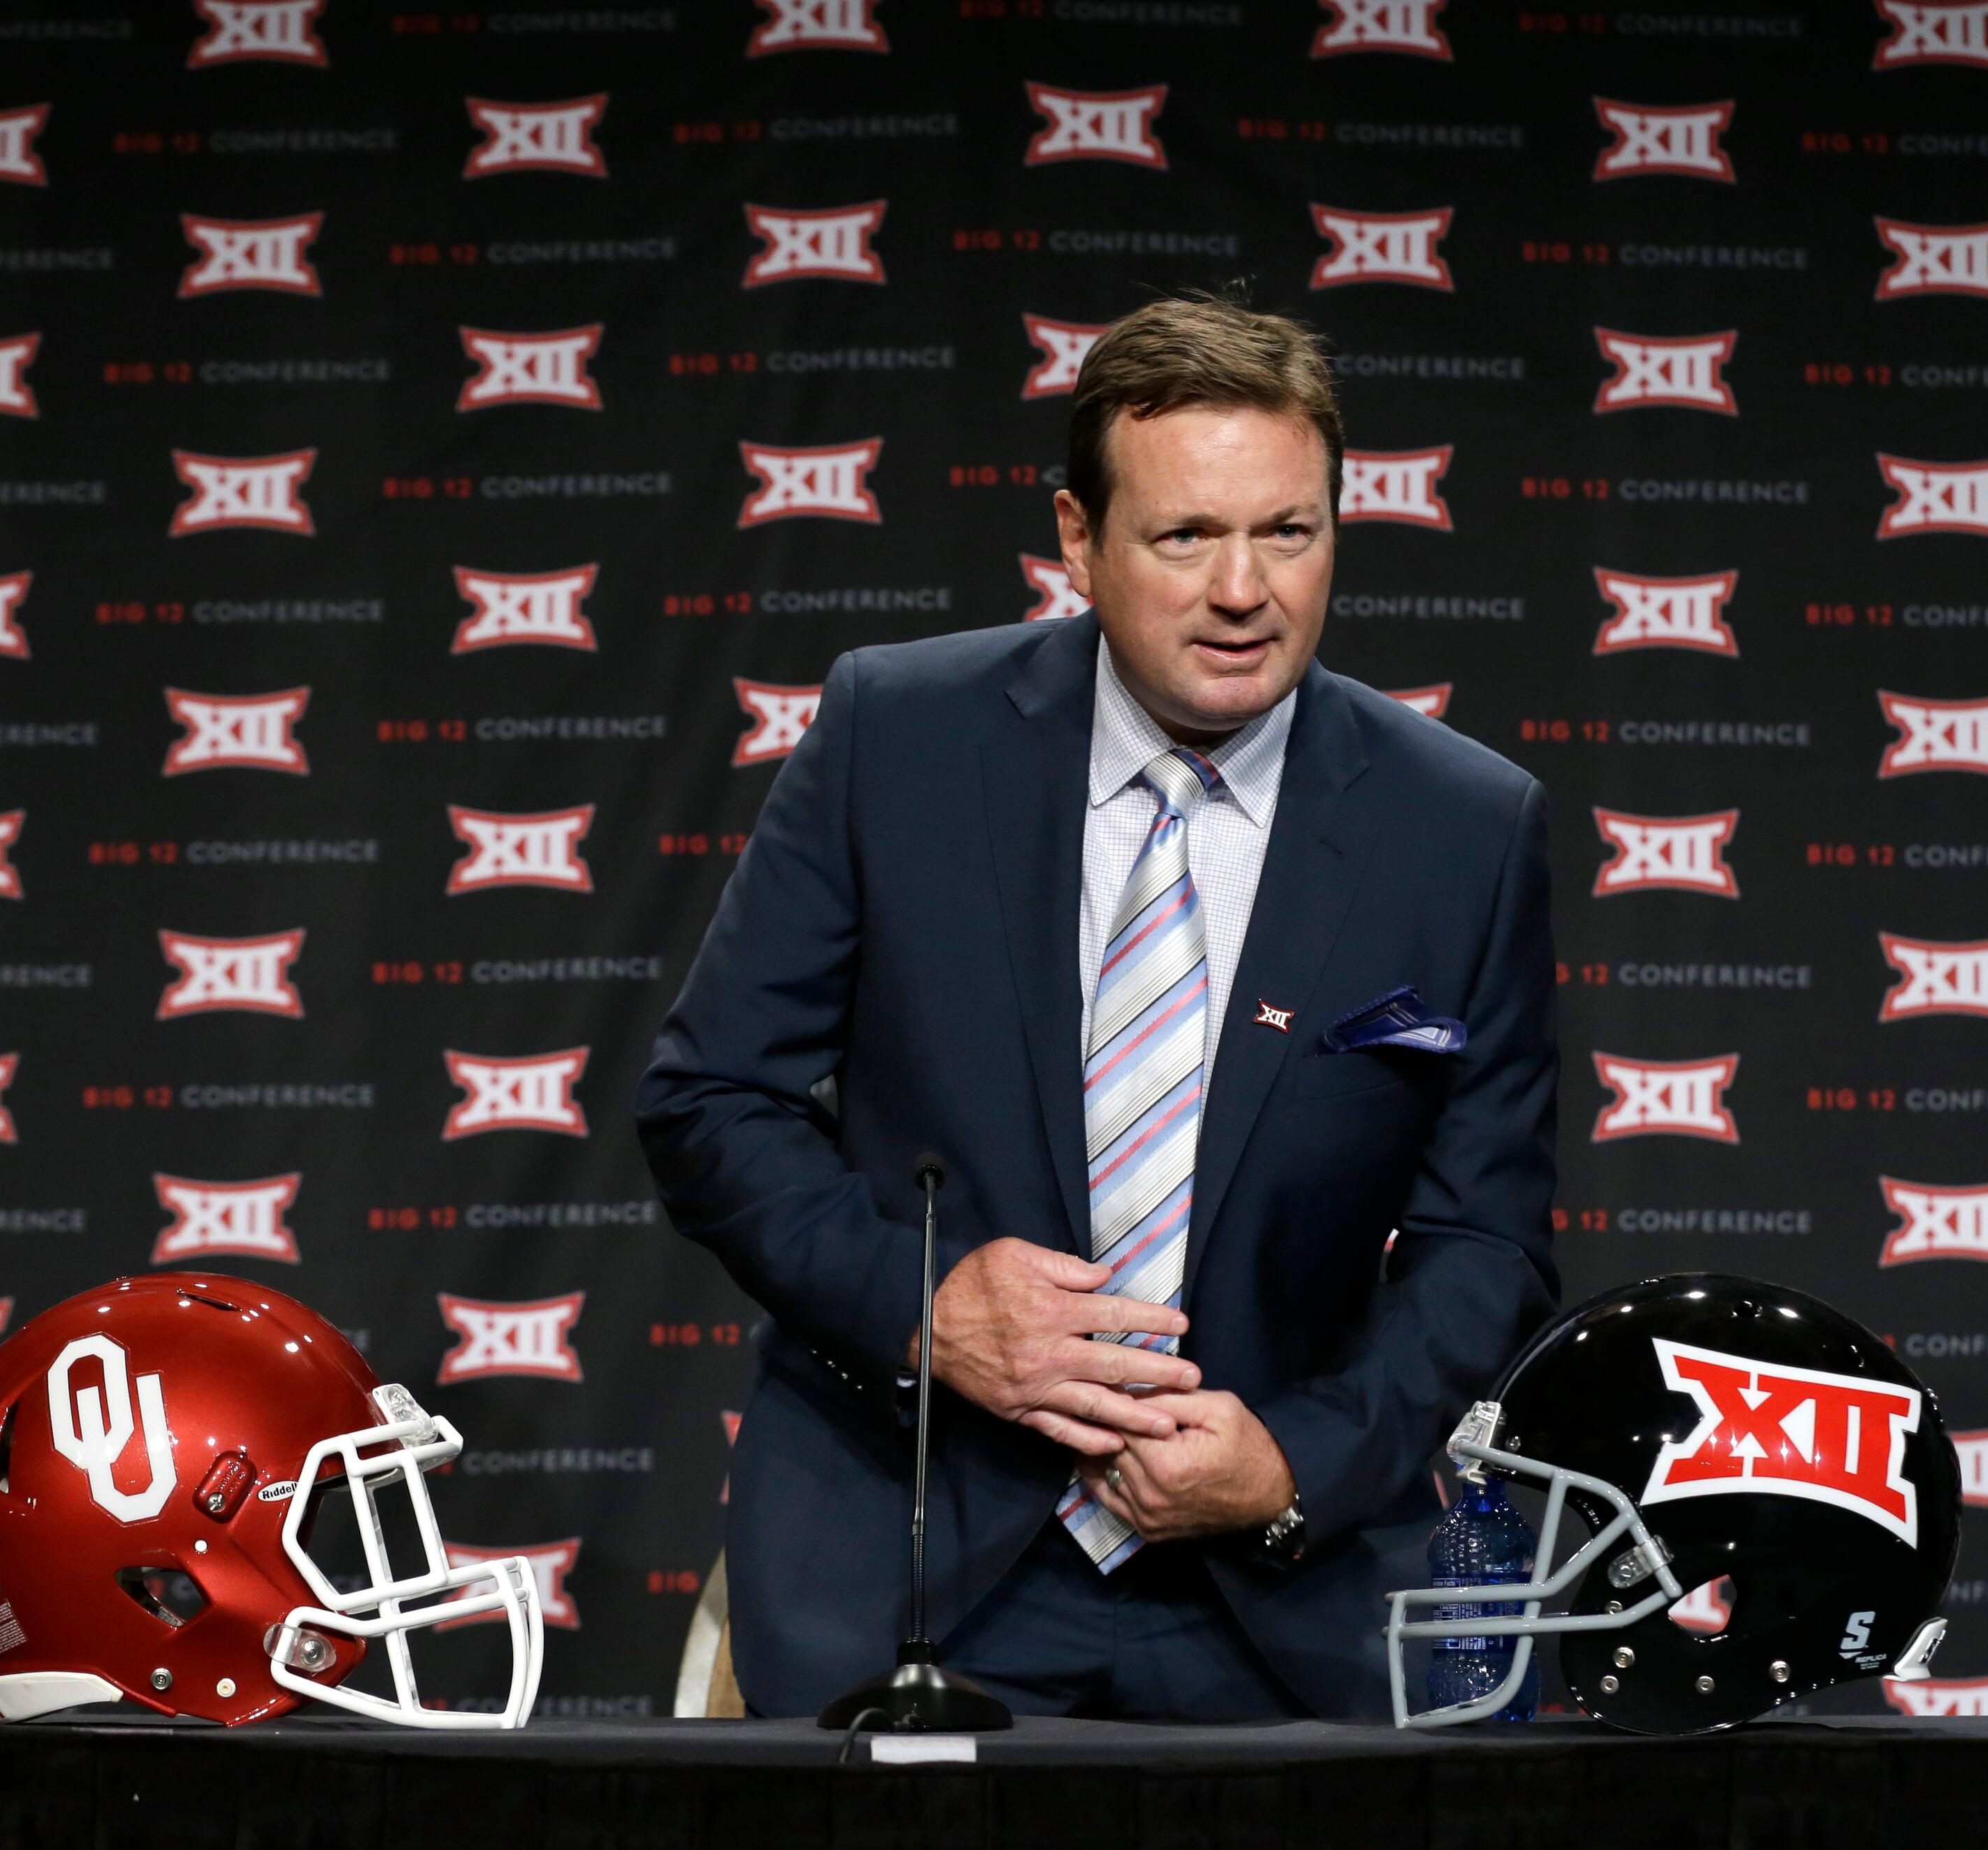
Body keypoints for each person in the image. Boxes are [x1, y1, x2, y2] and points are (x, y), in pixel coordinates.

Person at [637, 290, 1559, 1720]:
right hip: (915, 1555)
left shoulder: (1465, 826)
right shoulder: (898, 737)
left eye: (1289, 531)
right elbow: (710, 1099)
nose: (1243, 589)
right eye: (1185, 535)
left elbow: (1483, 1245)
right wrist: (926, 1308)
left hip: (1283, 1587)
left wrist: (1293, 1463)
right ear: (1079, 537)